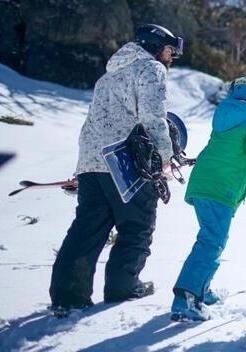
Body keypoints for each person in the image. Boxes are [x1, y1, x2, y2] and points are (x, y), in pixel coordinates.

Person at [50, 24, 183, 313]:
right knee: (136, 224)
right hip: (125, 161)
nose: (171, 57)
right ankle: (123, 286)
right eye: (170, 50)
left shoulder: (107, 76)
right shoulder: (151, 69)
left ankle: (67, 295)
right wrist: (164, 156)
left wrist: (82, 169)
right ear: (155, 45)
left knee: (87, 228)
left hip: (91, 161)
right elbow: (152, 116)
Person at [171, 76, 246, 321]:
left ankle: (200, 289)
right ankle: (186, 298)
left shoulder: (224, 113)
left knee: (211, 237)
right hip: (221, 188)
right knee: (211, 241)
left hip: (203, 182)